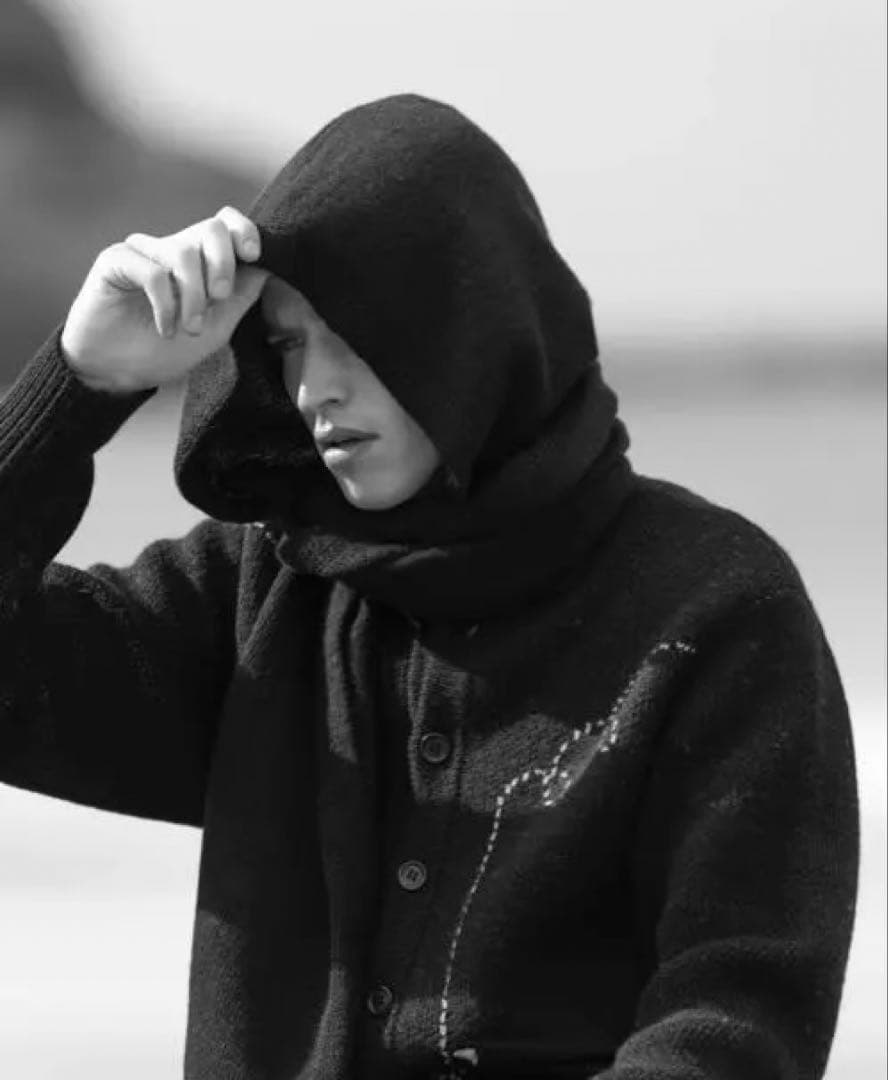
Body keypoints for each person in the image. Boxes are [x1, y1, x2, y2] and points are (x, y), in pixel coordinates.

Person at [0, 94, 858, 1080]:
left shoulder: (717, 607)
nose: (315, 386)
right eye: (288, 342)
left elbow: (736, 1010)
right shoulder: (262, 594)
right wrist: (79, 384)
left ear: (467, 321)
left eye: (352, 332)